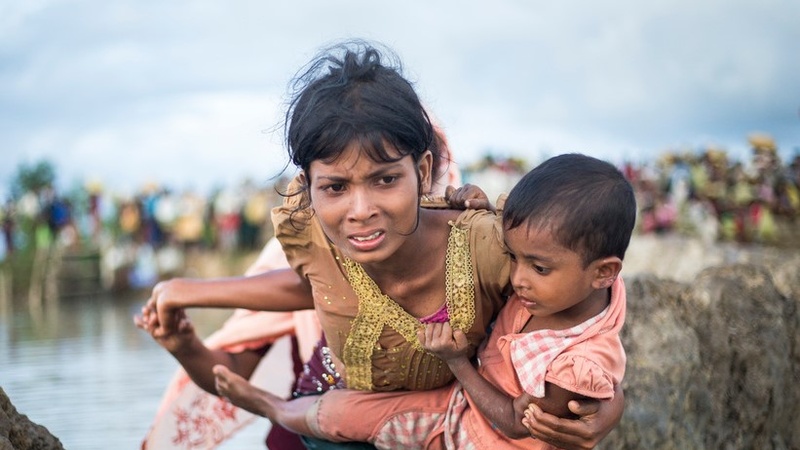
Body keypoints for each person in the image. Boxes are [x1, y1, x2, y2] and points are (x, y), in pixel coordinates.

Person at [136, 40, 623, 449]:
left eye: (386, 178)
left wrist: (608, 403)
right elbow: (291, 307)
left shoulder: (487, 247)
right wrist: (185, 338)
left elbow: (580, 310)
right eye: (335, 187)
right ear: (307, 187)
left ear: (425, 171)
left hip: (447, 426)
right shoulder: (313, 242)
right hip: (325, 418)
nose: (360, 209)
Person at [212, 153, 634, 449]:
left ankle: (270, 405)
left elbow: (512, 424)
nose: (517, 277)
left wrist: (456, 362)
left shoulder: (575, 358)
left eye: (536, 267)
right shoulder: (558, 285)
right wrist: (481, 215)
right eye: (511, 255)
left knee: (342, 415)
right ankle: (275, 407)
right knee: (342, 409)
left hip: (473, 432)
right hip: (456, 401)